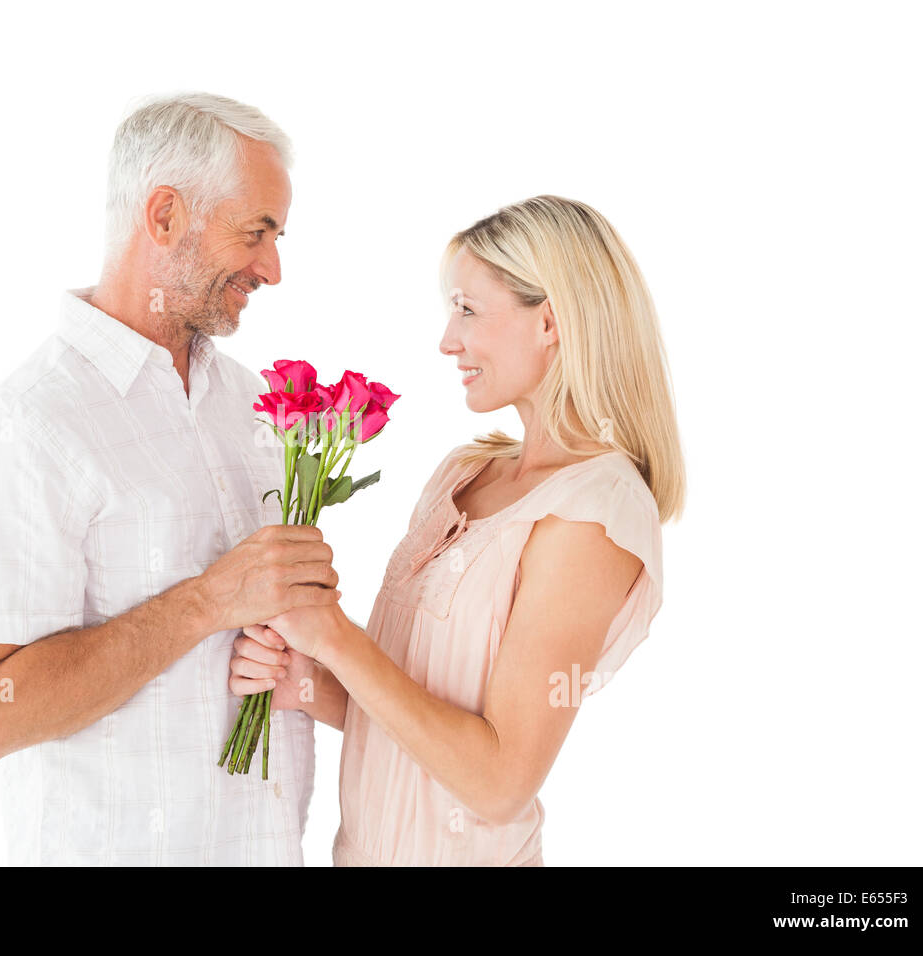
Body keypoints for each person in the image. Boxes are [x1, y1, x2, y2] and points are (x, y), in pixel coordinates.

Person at [0, 92, 341, 866]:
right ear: (164, 217)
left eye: (277, 237)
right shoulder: (34, 427)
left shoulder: (254, 406)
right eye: (255, 232)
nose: (273, 268)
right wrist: (209, 600)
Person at [229, 195, 686, 865]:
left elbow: (500, 783)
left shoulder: (594, 512)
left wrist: (335, 637)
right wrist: (308, 682)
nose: (448, 339)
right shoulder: (463, 473)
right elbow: (421, 719)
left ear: (551, 321)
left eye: (468, 310)